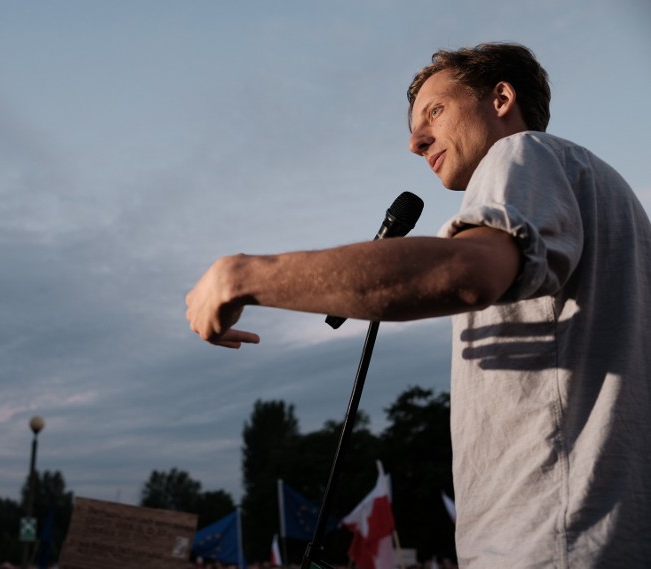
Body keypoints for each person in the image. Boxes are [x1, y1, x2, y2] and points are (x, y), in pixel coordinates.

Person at [185, 42, 651, 567]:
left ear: (500, 97)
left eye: (435, 111)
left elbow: (469, 272)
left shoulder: (522, 154)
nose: (414, 141)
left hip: (546, 540)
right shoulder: (610, 196)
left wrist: (243, 276)